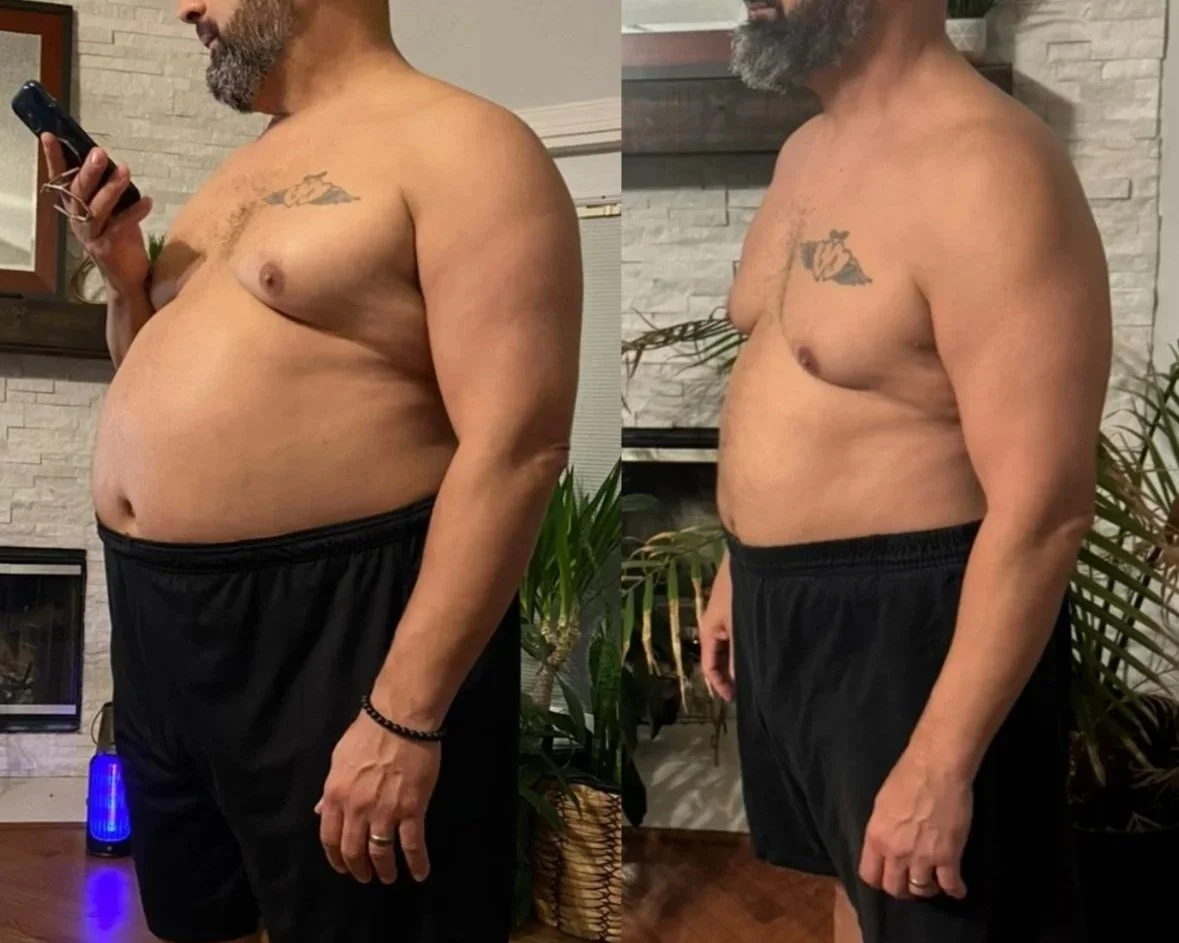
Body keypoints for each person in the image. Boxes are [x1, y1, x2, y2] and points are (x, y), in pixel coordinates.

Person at [39, 0, 583, 940]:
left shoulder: (470, 146)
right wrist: (129, 281)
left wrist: (404, 717)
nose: (187, 7)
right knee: (196, 918)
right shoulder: (242, 169)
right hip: (164, 623)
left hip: (336, 619)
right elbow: (151, 375)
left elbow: (517, 446)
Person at [698, 1, 1111, 941]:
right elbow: (791, 365)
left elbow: (1044, 509)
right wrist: (740, 559)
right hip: (784, 603)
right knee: (858, 887)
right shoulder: (808, 148)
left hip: (914, 622)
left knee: (938, 912)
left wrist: (939, 758)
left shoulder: (989, 169)